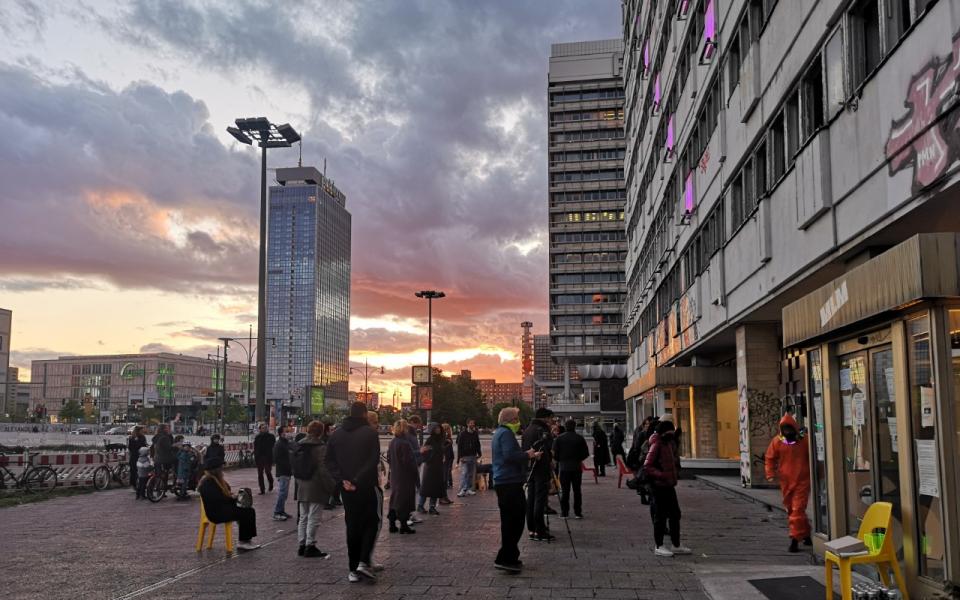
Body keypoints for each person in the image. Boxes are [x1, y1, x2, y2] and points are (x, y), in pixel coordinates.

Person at [325, 402, 382, 582]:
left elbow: (329, 461)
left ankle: (353, 569)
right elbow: (373, 460)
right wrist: (357, 480)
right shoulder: (370, 433)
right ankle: (363, 562)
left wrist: (343, 480)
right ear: (364, 414)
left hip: (346, 489)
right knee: (371, 522)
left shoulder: (336, 435)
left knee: (352, 525)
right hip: (365, 485)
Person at [492, 407, 540, 573]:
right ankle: (506, 557)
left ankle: (508, 555)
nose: (518, 421)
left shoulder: (499, 432)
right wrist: (528, 455)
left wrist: (526, 454)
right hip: (509, 482)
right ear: (510, 419)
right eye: (516, 418)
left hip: (505, 481)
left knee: (510, 521)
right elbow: (509, 456)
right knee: (515, 520)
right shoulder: (505, 434)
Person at [643, 415, 690, 557]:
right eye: (670, 432)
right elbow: (647, 466)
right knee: (661, 516)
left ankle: (676, 544)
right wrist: (662, 475)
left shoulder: (668, 443)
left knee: (675, 514)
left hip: (669, 485)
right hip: (659, 486)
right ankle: (659, 545)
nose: (672, 435)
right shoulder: (657, 444)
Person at [765, 413, 812, 552]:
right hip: (786, 481)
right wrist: (770, 474)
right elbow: (770, 458)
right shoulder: (777, 442)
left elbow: (816, 458)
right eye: (785, 429)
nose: (788, 432)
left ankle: (794, 540)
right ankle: (806, 534)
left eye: (789, 429)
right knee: (792, 510)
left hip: (802, 480)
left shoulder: (805, 441)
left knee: (797, 510)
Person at [198, 455, 260, 551]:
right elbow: (217, 499)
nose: (222, 469)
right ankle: (243, 542)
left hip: (222, 508)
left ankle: (246, 539)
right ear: (215, 469)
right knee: (246, 512)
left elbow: (224, 495)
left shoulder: (217, 480)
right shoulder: (208, 483)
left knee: (248, 509)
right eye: (220, 467)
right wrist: (231, 498)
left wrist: (233, 497)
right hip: (216, 513)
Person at [294, 420, 336, 558]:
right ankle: (310, 545)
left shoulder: (299, 445)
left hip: (302, 484)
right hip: (316, 485)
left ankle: (301, 544)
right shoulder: (320, 447)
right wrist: (331, 486)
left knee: (303, 517)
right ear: (321, 432)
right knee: (314, 517)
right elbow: (324, 469)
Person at [521, 407, 555, 542]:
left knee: (531, 498)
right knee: (540, 499)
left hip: (530, 468)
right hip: (541, 468)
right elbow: (548, 449)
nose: (552, 420)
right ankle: (540, 529)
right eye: (551, 418)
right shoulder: (543, 430)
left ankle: (531, 528)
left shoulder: (528, 430)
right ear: (545, 418)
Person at [553, 419, 589, 519]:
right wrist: (578, 459)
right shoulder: (580, 438)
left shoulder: (559, 439)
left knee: (565, 491)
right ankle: (578, 512)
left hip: (564, 468)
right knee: (577, 490)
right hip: (576, 467)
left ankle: (564, 512)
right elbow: (586, 453)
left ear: (565, 426)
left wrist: (561, 459)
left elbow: (555, 454)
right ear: (575, 426)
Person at [387, 419, 418, 534]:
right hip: (405, 477)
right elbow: (408, 462)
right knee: (404, 501)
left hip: (395, 475)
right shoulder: (404, 443)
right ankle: (404, 525)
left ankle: (392, 523)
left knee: (395, 499)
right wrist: (415, 475)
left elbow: (389, 458)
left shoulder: (392, 442)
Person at [417, 422, 446, 515]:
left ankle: (432, 507)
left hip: (438, 467)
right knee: (426, 488)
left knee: (436, 488)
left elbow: (440, 451)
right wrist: (429, 459)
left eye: (439, 428)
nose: (438, 430)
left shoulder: (440, 439)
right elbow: (424, 452)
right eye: (436, 428)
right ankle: (420, 505)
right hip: (430, 467)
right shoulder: (430, 440)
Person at [456, 419, 481, 497]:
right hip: (465, 456)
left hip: (473, 455)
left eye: (473, 423)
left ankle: (469, 489)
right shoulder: (462, 434)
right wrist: (460, 457)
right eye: (471, 423)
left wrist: (479, 453)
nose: (472, 424)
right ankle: (463, 489)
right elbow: (459, 446)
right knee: (465, 473)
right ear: (467, 424)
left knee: (471, 473)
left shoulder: (475, 433)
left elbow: (477, 443)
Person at [273, 426, 293, 521]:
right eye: (287, 431)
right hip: (283, 471)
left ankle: (281, 510)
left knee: (284, 493)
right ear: (281, 433)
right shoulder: (279, 444)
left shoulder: (286, 443)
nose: (289, 433)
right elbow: (277, 459)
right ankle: (277, 512)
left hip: (287, 471)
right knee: (282, 492)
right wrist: (287, 466)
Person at [253, 423, 276, 495]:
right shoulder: (257, 437)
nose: (264, 429)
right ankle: (262, 489)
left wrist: (273, 457)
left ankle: (271, 482)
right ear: (260, 429)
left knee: (267, 471)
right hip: (259, 457)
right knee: (260, 473)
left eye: (266, 428)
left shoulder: (271, 437)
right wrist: (256, 455)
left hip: (268, 457)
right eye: (263, 428)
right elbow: (255, 447)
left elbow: (274, 447)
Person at [127, 426, 147, 491]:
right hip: (135, 457)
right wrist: (136, 441)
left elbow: (144, 445)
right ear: (138, 431)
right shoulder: (132, 438)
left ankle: (140, 485)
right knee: (134, 471)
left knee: (141, 471)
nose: (143, 431)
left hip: (140, 456)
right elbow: (130, 447)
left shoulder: (143, 437)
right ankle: (134, 485)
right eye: (141, 430)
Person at [440, 423, 455, 503]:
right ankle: (442, 497)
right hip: (445, 459)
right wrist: (449, 443)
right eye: (447, 429)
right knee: (444, 478)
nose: (449, 431)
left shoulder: (448, 437)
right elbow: (442, 449)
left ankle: (445, 497)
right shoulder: (443, 438)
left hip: (449, 458)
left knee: (446, 477)